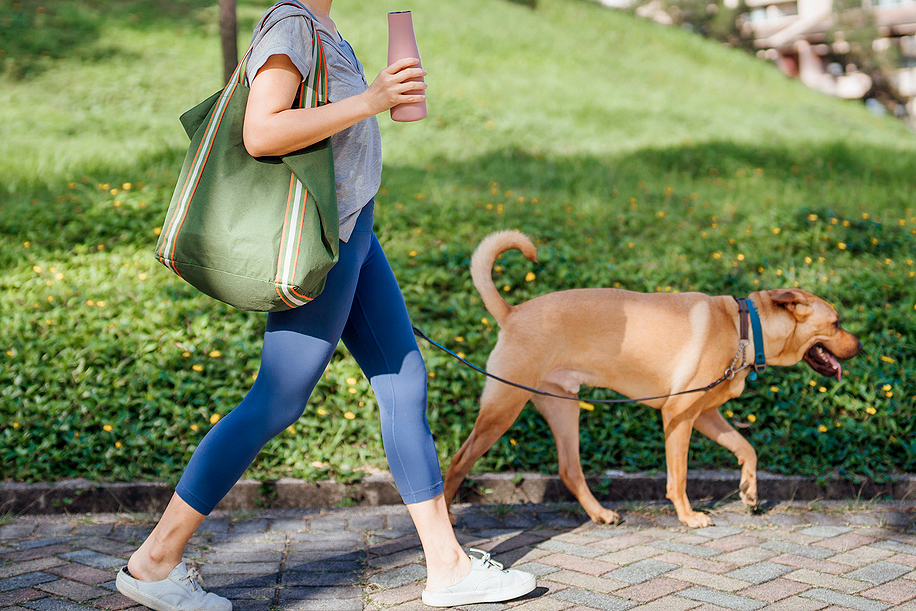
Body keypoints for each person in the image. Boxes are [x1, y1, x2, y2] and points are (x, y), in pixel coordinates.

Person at [115, 1, 536, 609]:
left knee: (403, 381)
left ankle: (447, 567)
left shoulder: (323, 26)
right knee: (276, 400)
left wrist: (376, 101)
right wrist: (372, 100)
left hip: (356, 229)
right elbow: (260, 131)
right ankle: (154, 561)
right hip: (325, 240)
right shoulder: (290, 24)